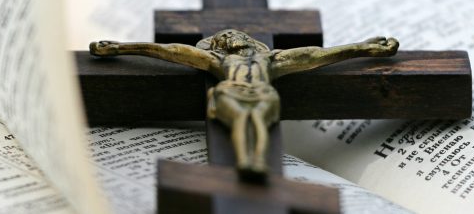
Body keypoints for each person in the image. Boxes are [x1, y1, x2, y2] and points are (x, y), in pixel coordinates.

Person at [90, 29, 398, 181]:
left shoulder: (271, 59)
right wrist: (122, 47)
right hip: (232, 90)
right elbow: (169, 51)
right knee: (240, 117)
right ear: (222, 46)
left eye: (236, 35)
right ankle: (246, 160)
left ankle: (256, 161)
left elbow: (314, 55)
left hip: (262, 93)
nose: (234, 37)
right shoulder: (216, 60)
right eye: (227, 38)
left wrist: (364, 47)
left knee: (260, 116)